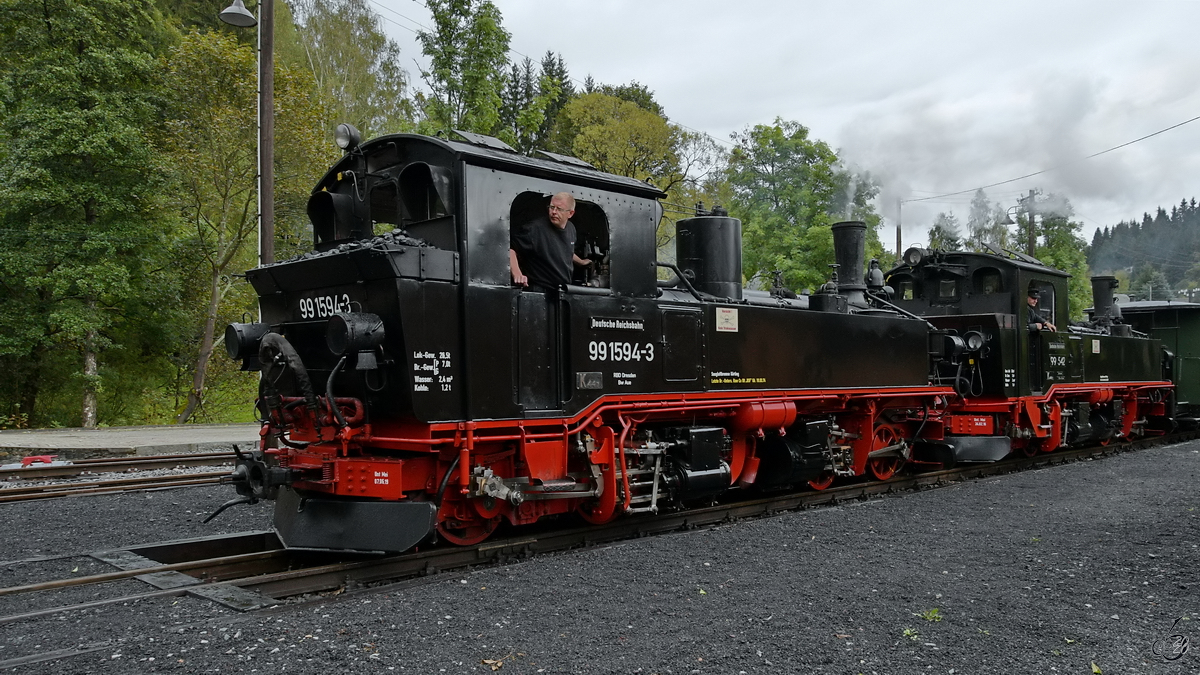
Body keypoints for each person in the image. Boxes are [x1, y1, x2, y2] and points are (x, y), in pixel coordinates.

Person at [509, 192, 591, 292]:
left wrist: (581, 262)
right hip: (540, 291)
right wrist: (517, 274)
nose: (554, 212)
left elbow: (566, 249)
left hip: (562, 291)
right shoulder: (535, 229)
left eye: (559, 209)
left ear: (570, 213)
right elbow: (511, 249)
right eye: (552, 207)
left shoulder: (571, 229)